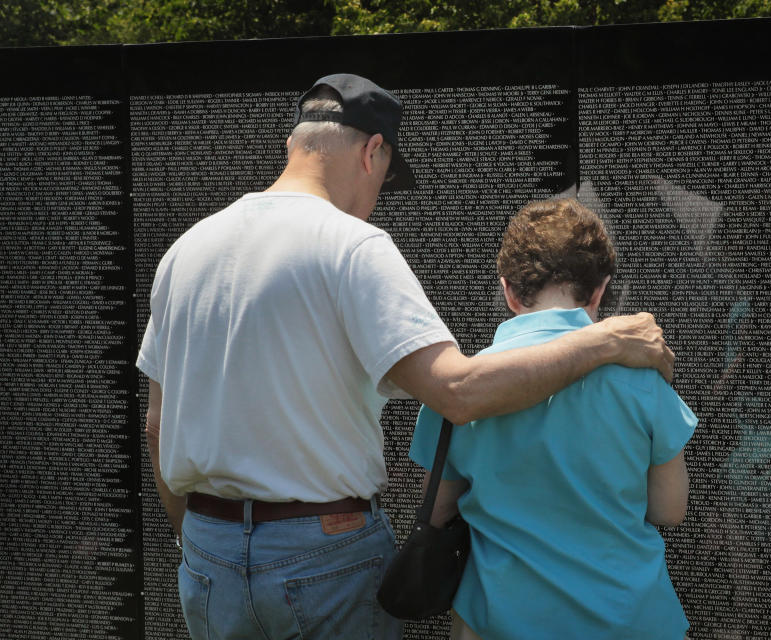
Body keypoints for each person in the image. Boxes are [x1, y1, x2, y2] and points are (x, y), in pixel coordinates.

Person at [136, 74, 676, 640]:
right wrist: (605, 340)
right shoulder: (351, 245)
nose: (374, 200)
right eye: (386, 179)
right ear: (373, 152)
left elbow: (157, 426)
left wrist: (202, 540)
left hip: (207, 556)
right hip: (322, 560)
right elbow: (458, 391)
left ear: (294, 144)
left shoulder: (186, 250)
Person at [410, 198, 698, 640]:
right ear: (600, 291)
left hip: (499, 622)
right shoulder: (644, 381)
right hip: (630, 620)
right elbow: (669, 509)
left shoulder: (462, 389)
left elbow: (438, 510)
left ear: (508, 290)